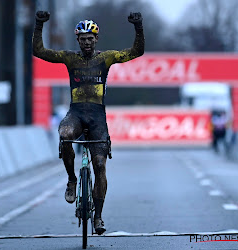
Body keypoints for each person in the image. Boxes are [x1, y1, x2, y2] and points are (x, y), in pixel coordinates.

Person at [32, 11, 144, 234]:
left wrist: (138, 26)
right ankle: (72, 180)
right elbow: (39, 51)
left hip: (97, 117)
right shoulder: (69, 58)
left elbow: (136, 52)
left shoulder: (106, 58)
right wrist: (39, 24)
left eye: (90, 38)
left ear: (96, 39)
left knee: (100, 166)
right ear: (78, 41)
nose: (86, 42)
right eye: (82, 39)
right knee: (65, 134)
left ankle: (99, 217)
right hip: (76, 113)